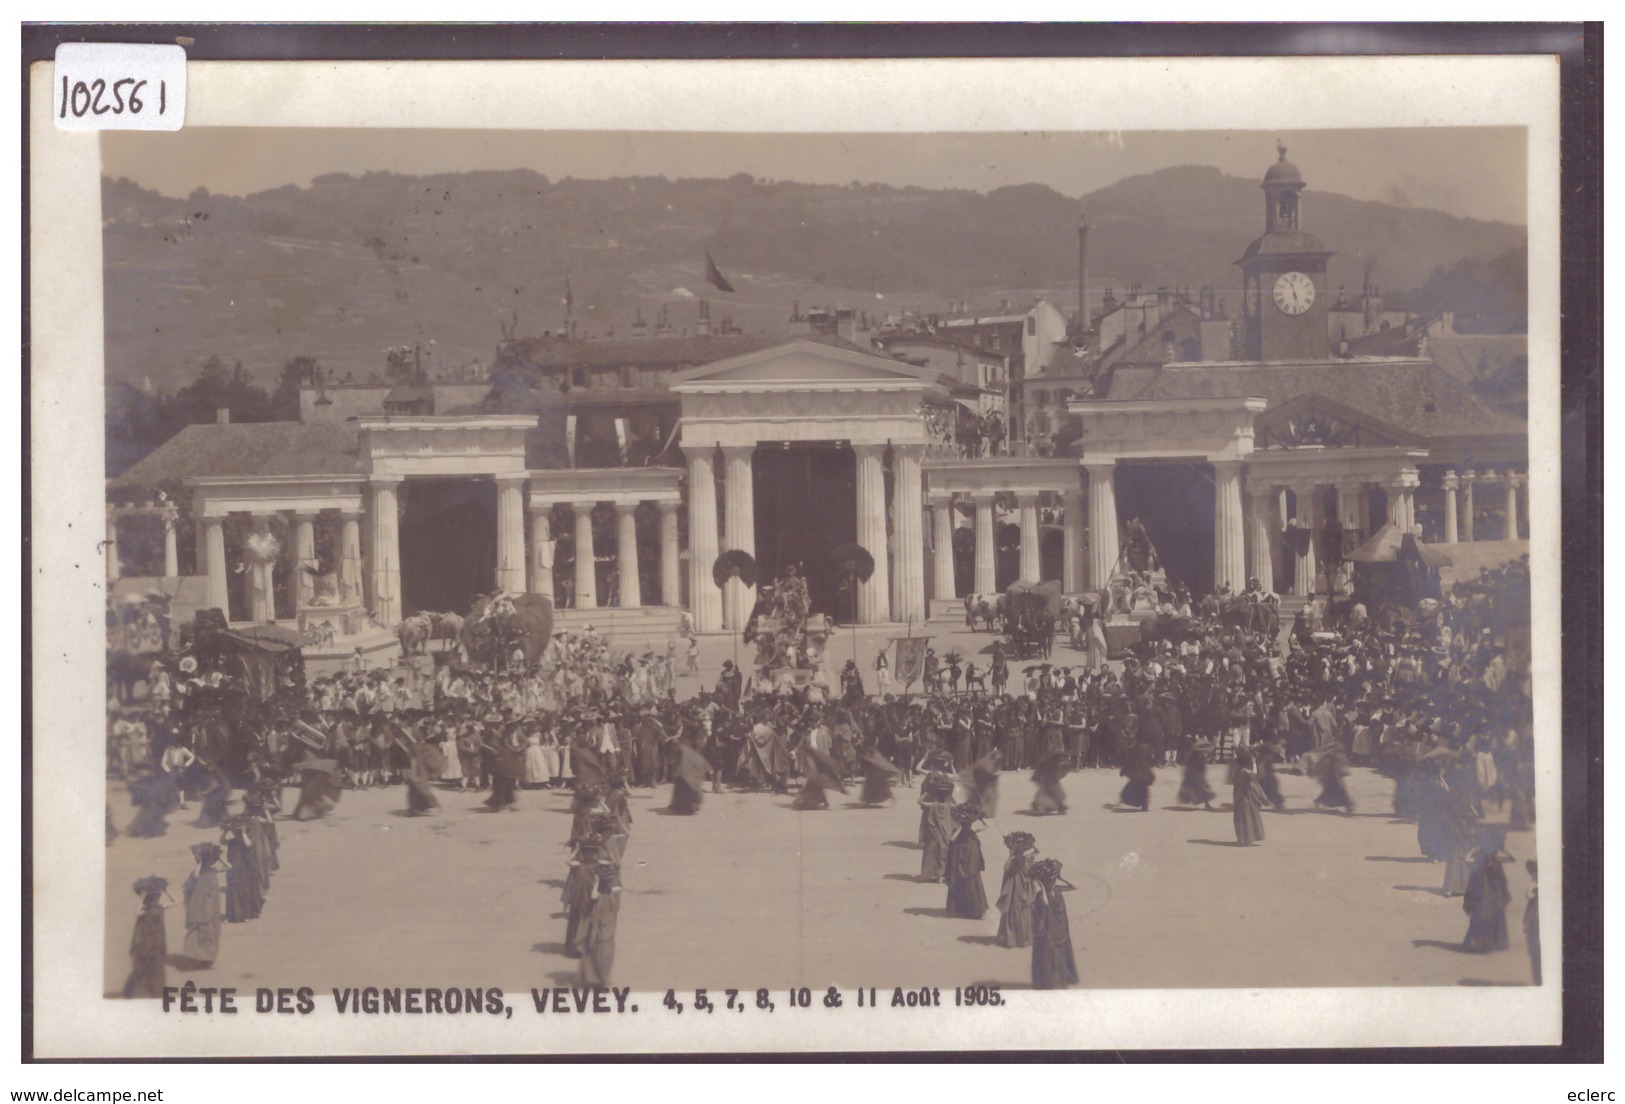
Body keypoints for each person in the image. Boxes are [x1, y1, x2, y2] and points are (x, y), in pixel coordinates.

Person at [1030, 858, 1079, 990]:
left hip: (1060, 928)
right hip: (1049, 930)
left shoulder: (1057, 889)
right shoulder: (1041, 894)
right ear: (1045, 883)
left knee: (1059, 955)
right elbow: (1045, 903)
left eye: (1053, 881)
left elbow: (1074, 886)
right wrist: (1042, 887)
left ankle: (1059, 980)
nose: (1053, 883)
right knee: (1050, 955)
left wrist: (1061, 878)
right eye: (1051, 881)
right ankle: (1049, 981)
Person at [122, 876, 170, 999]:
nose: (158, 898)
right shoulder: (158, 909)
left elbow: (136, 912)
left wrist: (143, 896)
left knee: (145, 964)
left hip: (148, 942)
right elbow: (175, 902)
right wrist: (166, 891)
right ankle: (154, 988)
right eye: (157, 897)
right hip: (156, 942)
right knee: (153, 964)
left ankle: (146, 987)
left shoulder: (146, 911)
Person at [1462, 841, 1512, 953]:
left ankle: (1479, 945)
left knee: (1480, 916)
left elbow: (1467, 859)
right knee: (1494, 916)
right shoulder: (1496, 864)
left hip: (1482, 896)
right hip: (1494, 896)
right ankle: (1495, 943)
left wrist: (1474, 848)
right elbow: (1510, 859)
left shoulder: (1478, 865)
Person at [578, 860, 622, 986]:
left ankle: (600, 977)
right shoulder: (615, 888)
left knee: (598, 950)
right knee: (603, 950)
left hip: (602, 924)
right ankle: (602, 977)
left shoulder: (610, 889)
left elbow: (594, 896)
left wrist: (598, 883)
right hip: (606, 926)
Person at [182, 842, 226, 966]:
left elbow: (229, 866)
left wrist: (219, 858)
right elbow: (195, 877)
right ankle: (196, 954)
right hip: (201, 905)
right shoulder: (202, 872)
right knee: (201, 929)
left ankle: (207, 956)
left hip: (210, 905)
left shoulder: (212, 871)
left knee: (209, 929)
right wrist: (201, 862)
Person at [944, 803, 988, 920]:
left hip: (963, 855)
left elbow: (951, 839)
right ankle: (973, 909)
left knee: (961, 878)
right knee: (972, 880)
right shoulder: (970, 831)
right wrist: (978, 819)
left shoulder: (964, 831)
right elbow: (985, 825)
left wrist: (961, 826)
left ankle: (960, 908)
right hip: (968, 856)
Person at [995, 832, 1037, 949]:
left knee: (1014, 910)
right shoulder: (1025, 860)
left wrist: (1011, 854)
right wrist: (1029, 845)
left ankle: (1012, 938)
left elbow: (1005, 868)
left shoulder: (1016, 860)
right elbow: (1037, 851)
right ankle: (1023, 938)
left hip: (1016, 889)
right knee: (1022, 910)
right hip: (1021, 888)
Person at [918, 773, 954, 883]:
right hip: (946, 834)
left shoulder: (932, 805)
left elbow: (919, 801)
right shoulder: (950, 806)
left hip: (934, 834)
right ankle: (941, 875)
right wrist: (951, 795)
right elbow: (957, 804)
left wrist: (927, 792)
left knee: (932, 854)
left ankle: (930, 874)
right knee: (943, 855)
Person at [1231, 749, 1268, 846]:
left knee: (1241, 819)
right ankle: (1247, 840)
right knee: (1248, 819)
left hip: (1239, 798)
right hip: (1246, 799)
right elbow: (1254, 775)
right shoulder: (1245, 772)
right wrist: (1255, 763)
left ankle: (1243, 839)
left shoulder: (1238, 771)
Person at [1177, 740, 1217, 810]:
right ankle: (1206, 805)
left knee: (1193, 790)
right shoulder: (1198, 756)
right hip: (1195, 775)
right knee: (1202, 790)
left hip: (1192, 775)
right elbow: (1199, 768)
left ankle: (1205, 804)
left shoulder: (1193, 755)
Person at [1118, 738, 1155, 812]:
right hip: (1145, 775)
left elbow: (1127, 762)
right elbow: (1148, 761)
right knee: (1143, 790)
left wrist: (1122, 772)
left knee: (1132, 790)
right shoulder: (1141, 750)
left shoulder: (1132, 752)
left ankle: (1142, 805)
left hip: (1138, 775)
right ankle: (1144, 805)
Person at [1524, 860, 1541, 984]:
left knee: (1536, 951)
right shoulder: (1535, 884)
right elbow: (1528, 894)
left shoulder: (1537, 885)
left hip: (1536, 920)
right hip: (1533, 920)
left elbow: (1528, 894)